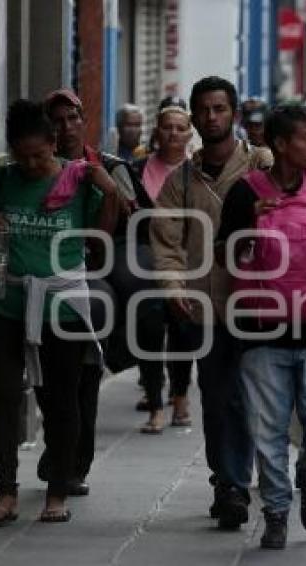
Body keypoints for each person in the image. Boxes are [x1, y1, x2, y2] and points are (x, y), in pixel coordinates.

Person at [0, 99, 119, 524]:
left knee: (61, 400)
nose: (32, 164)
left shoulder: (78, 180)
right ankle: (6, 491)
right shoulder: (3, 178)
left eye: (39, 155)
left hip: (63, 306)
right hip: (7, 302)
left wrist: (108, 189)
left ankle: (57, 490)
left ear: (54, 144)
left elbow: (102, 236)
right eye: (23, 156)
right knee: (4, 393)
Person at [216, 104, 306, 549]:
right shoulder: (243, 193)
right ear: (279, 144)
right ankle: (275, 511)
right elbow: (224, 259)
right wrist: (251, 222)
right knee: (265, 425)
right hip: (260, 330)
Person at [150, 76, 271, 529]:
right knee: (219, 398)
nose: (211, 117)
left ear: (233, 113)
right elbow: (165, 242)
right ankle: (229, 483)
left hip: (260, 306)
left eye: (220, 108)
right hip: (208, 310)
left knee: (255, 398)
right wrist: (174, 287)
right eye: (204, 110)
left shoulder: (262, 166)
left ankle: (263, 477)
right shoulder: (182, 179)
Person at [42, 88, 143, 495]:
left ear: (85, 121)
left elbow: (117, 238)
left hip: (89, 283)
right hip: (40, 285)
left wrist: (110, 194)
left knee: (83, 376)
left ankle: (72, 466)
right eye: (57, 120)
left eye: (73, 118)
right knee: (46, 383)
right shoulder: (35, 169)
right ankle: (58, 455)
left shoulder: (109, 168)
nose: (65, 128)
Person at [131, 97, 196, 433]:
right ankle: (156, 404)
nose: (173, 134)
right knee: (150, 330)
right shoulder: (138, 170)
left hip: (187, 264)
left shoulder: (196, 172)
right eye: (167, 128)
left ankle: (181, 398)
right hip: (146, 265)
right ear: (156, 132)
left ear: (190, 134)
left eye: (180, 128)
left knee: (183, 331)